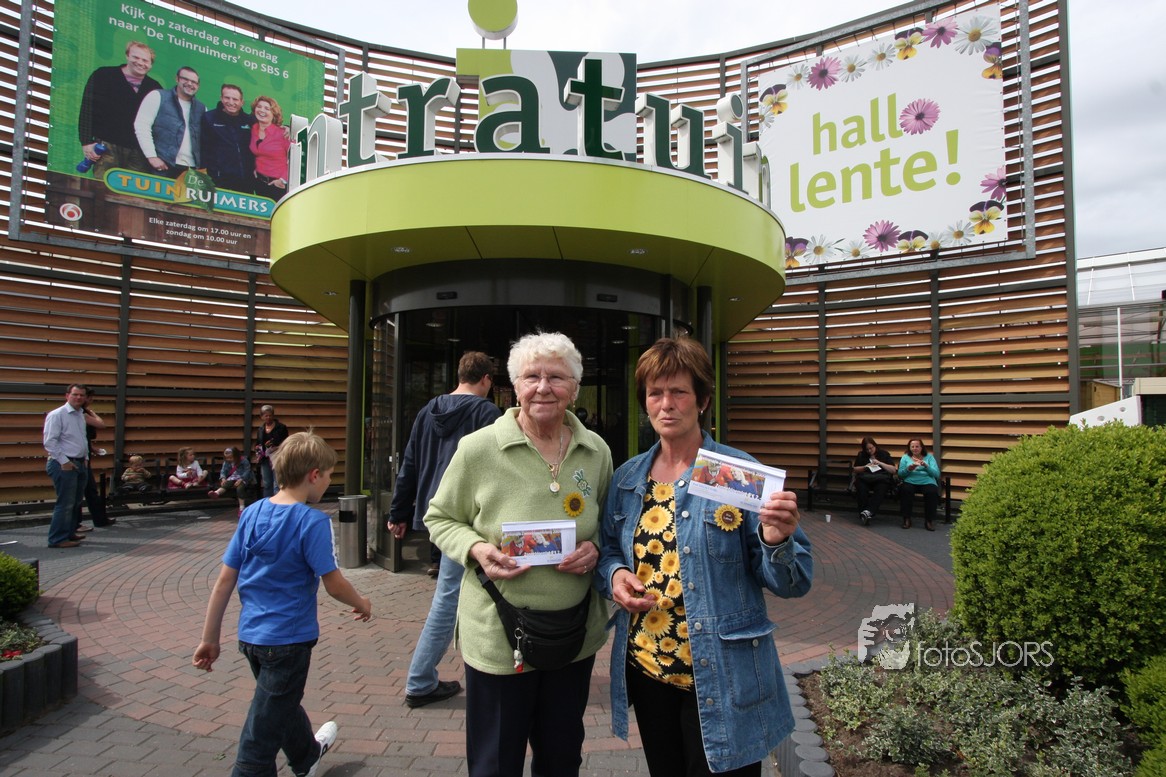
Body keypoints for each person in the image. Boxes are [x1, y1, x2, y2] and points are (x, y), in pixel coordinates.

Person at [596, 337, 813, 777]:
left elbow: (795, 582)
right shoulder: (627, 478)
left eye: (679, 392)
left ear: (703, 401)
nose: (666, 404)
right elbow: (609, 549)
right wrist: (616, 574)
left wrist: (775, 540)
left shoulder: (735, 474)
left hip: (723, 675)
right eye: (655, 393)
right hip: (649, 668)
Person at [425, 332, 612, 777]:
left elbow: (610, 526)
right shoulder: (478, 449)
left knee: (562, 759)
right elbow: (440, 517)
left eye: (557, 377)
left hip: (573, 635)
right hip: (498, 635)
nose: (543, 387)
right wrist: (476, 548)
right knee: (495, 763)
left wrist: (596, 548)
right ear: (514, 386)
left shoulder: (596, 451)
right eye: (532, 377)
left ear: (575, 387)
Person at [193, 431, 372, 777]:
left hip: (251, 639)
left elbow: (224, 581)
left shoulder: (252, 513)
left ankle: (306, 757)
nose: (328, 482)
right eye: (329, 475)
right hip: (289, 642)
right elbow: (334, 584)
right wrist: (362, 602)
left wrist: (209, 638)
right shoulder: (313, 522)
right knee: (257, 743)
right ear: (314, 475)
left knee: (277, 704)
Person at [388, 351, 502, 709]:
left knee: (461, 591)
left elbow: (410, 462)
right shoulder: (486, 413)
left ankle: (496, 660)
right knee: (449, 597)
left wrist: (399, 511)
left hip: (436, 515)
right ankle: (420, 680)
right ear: (486, 379)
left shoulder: (428, 411)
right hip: (466, 517)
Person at [77, 40, 162, 178]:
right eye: (136, 57)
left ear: (151, 64)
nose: (140, 62)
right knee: (103, 187)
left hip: (139, 153)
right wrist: (86, 141)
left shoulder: (155, 88)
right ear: (127, 56)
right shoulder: (103, 75)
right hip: (106, 147)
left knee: (135, 191)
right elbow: (87, 108)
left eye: (145, 60)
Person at [42, 384, 92, 548]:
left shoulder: (80, 415)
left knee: (75, 502)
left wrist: (85, 458)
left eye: (81, 395)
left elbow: (82, 438)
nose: (78, 398)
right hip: (63, 464)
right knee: (65, 503)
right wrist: (64, 462)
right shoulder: (57, 415)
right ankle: (57, 538)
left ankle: (69, 532)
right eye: (75, 394)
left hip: (79, 462)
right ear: (67, 395)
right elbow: (50, 442)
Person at [134, 66, 206, 177]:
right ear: (177, 79)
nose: (190, 84)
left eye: (194, 82)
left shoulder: (202, 108)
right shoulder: (158, 96)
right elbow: (142, 126)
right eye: (185, 79)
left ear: (198, 85)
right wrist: (151, 156)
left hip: (190, 169)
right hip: (162, 165)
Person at [73, 386, 115, 531]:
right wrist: (93, 413)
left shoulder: (81, 413)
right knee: (82, 490)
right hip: (76, 458)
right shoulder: (82, 414)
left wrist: (92, 448)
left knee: (89, 489)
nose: (90, 400)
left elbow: (84, 437)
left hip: (84, 455)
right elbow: (101, 424)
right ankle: (77, 523)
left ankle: (99, 519)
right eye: (89, 398)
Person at [199, 84, 254, 192]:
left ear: (242, 102)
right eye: (227, 98)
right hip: (217, 180)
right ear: (221, 98)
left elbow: (269, 127)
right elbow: (203, 148)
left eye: (235, 99)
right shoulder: (209, 117)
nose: (231, 102)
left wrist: (286, 128)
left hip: (244, 182)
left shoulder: (249, 121)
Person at [249, 96, 291, 200]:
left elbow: (296, 158)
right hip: (258, 183)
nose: (262, 110)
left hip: (278, 186)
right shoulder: (252, 129)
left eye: (267, 108)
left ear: (274, 114)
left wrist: (283, 180)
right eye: (259, 107)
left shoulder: (284, 134)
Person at [898, 437, 941, 531]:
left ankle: (929, 521)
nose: (915, 448)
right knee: (905, 490)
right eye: (912, 446)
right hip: (910, 481)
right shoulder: (905, 457)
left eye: (917, 446)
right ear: (909, 448)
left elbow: (936, 474)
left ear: (922, 447)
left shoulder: (929, 457)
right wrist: (909, 468)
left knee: (931, 492)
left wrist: (926, 466)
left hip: (927, 481)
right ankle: (906, 519)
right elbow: (900, 474)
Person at [852, 436, 895, 526]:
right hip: (865, 478)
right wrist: (865, 467)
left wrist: (880, 463)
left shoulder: (884, 454)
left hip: (880, 478)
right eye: (867, 449)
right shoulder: (861, 455)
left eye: (871, 448)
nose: (869, 451)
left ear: (875, 446)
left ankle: (868, 512)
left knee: (881, 488)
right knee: (861, 487)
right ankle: (864, 513)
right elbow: (855, 469)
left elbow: (893, 470)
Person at [209, 446, 254, 517]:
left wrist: (241, 479)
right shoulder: (226, 462)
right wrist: (223, 478)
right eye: (227, 458)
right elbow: (223, 471)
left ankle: (242, 508)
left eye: (231, 458)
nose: (229, 459)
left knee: (240, 489)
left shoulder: (244, 461)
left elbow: (247, 471)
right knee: (226, 484)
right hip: (232, 477)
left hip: (243, 478)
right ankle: (216, 493)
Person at [256, 405, 289, 497]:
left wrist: (277, 448)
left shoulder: (281, 427)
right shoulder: (260, 429)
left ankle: (277, 502)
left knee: (277, 483)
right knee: (266, 483)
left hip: (277, 457)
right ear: (262, 417)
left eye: (270, 415)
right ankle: (267, 502)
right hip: (265, 458)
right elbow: (258, 443)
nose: (268, 417)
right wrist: (258, 453)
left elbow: (286, 442)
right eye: (266, 415)